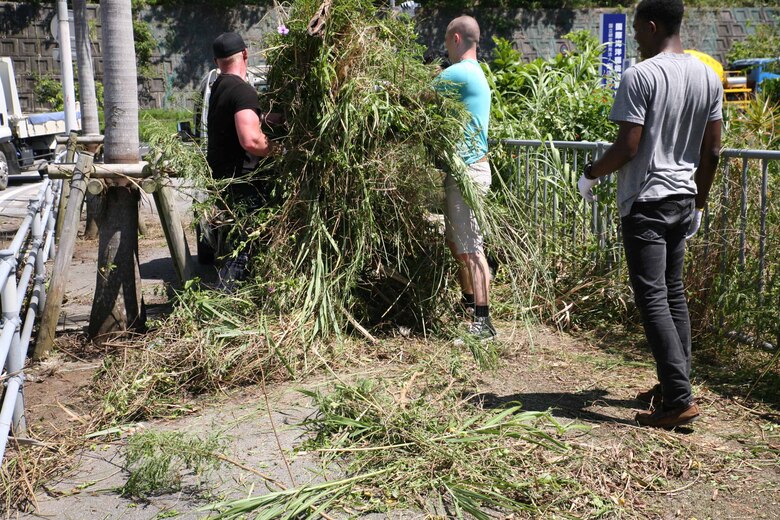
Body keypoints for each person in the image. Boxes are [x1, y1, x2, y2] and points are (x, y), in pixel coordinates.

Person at [577, 0, 722, 428]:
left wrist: (590, 174)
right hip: (682, 199)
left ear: (653, 26)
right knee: (673, 293)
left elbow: (628, 146)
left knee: (653, 296)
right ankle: (675, 383)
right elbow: (712, 150)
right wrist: (699, 200)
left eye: (638, 30)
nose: (636, 38)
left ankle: (677, 399)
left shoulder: (640, 76)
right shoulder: (707, 77)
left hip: (647, 201)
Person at [434, 16, 495, 340]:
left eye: (446, 41)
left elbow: (414, 97)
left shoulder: (459, 72)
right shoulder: (477, 72)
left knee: (471, 247)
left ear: (455, 38)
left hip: (467, 172)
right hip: (466, 170)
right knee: (458, 244)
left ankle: (483, 323)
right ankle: (470, 305)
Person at [206, 32, 279, 287]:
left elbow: (240, 117)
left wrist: (271, 118)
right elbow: (251, 140)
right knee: (244, 250)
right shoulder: (242, 90)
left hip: (225, 180)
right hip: (243, 181)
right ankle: (226, 301)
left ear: (217, 61)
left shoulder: (220, 87)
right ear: (245, 54)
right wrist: (283, 150)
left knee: (238, 245)